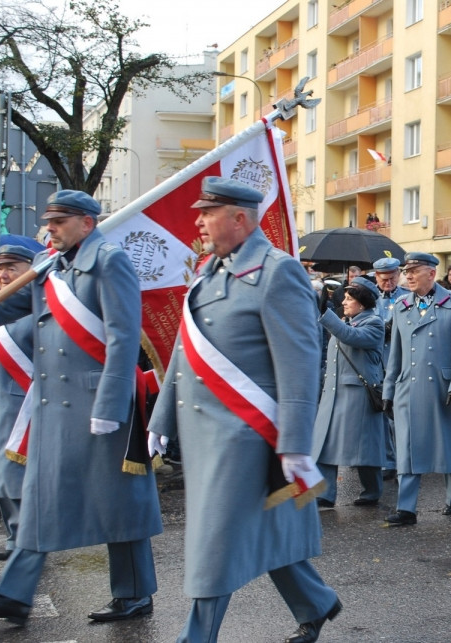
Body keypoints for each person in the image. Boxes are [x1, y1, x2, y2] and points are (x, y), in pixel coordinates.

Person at [147, 177, 340, 642]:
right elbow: (183, 350)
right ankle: (316, 601)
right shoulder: (210, 270)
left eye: (206, 213)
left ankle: (196, 636)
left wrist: (294, 443)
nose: (197, 221)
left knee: (215, 538)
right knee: (258, 527)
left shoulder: (278, 272)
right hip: (204, 434)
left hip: (246, 437)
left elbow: (298, 366)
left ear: (238, 218)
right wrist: (160, 420)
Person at [0, 190, 162, 626]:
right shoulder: (51, 267)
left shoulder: (109, 261)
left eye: (59, 222)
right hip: (54, 409)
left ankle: (135, 592)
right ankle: (15, 593)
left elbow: (123, 337)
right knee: (41, 498)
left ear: (86, 222)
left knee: (120, 503)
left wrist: (111, 402)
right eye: (49, 222)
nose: (50, 229)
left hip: (100, 405)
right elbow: (8, 309)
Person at [382, 252, 451, 525]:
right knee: (407, 447)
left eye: (414, 271)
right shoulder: (400, 306)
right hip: (408, 388)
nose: (407, 276)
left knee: (449, 445)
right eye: (406, 272)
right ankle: (406, 508)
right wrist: (388, 391)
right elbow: (394, 356)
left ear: (431, 273)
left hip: (443, 387)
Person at [313, 277, 386, 508]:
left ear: (362, 303)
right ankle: (325, 493)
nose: (343, 302)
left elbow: (351, 337)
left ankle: (372, 491)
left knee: (364, 447)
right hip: (334, 392)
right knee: (325, 444)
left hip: (358, 394)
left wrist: (327, 313)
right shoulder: (346, 321)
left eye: (348, 298)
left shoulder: (373, 323)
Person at [0, 246, 36, 562]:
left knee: (14, 476)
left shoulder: (34, 306)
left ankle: (22, 540)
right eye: (0, 268)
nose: (4, 275)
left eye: (12, 268)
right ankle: (12, 534)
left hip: (21, 406)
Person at [372, 257, 409, 481]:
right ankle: (387, 460)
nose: (389, 282)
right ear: (377, 277)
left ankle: (403, 459)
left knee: (398, 415)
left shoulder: (407, 296)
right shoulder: (369, 297)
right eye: (384, 279)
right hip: (376, 363)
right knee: (381, 416)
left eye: (393, 278)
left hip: (400, 362)